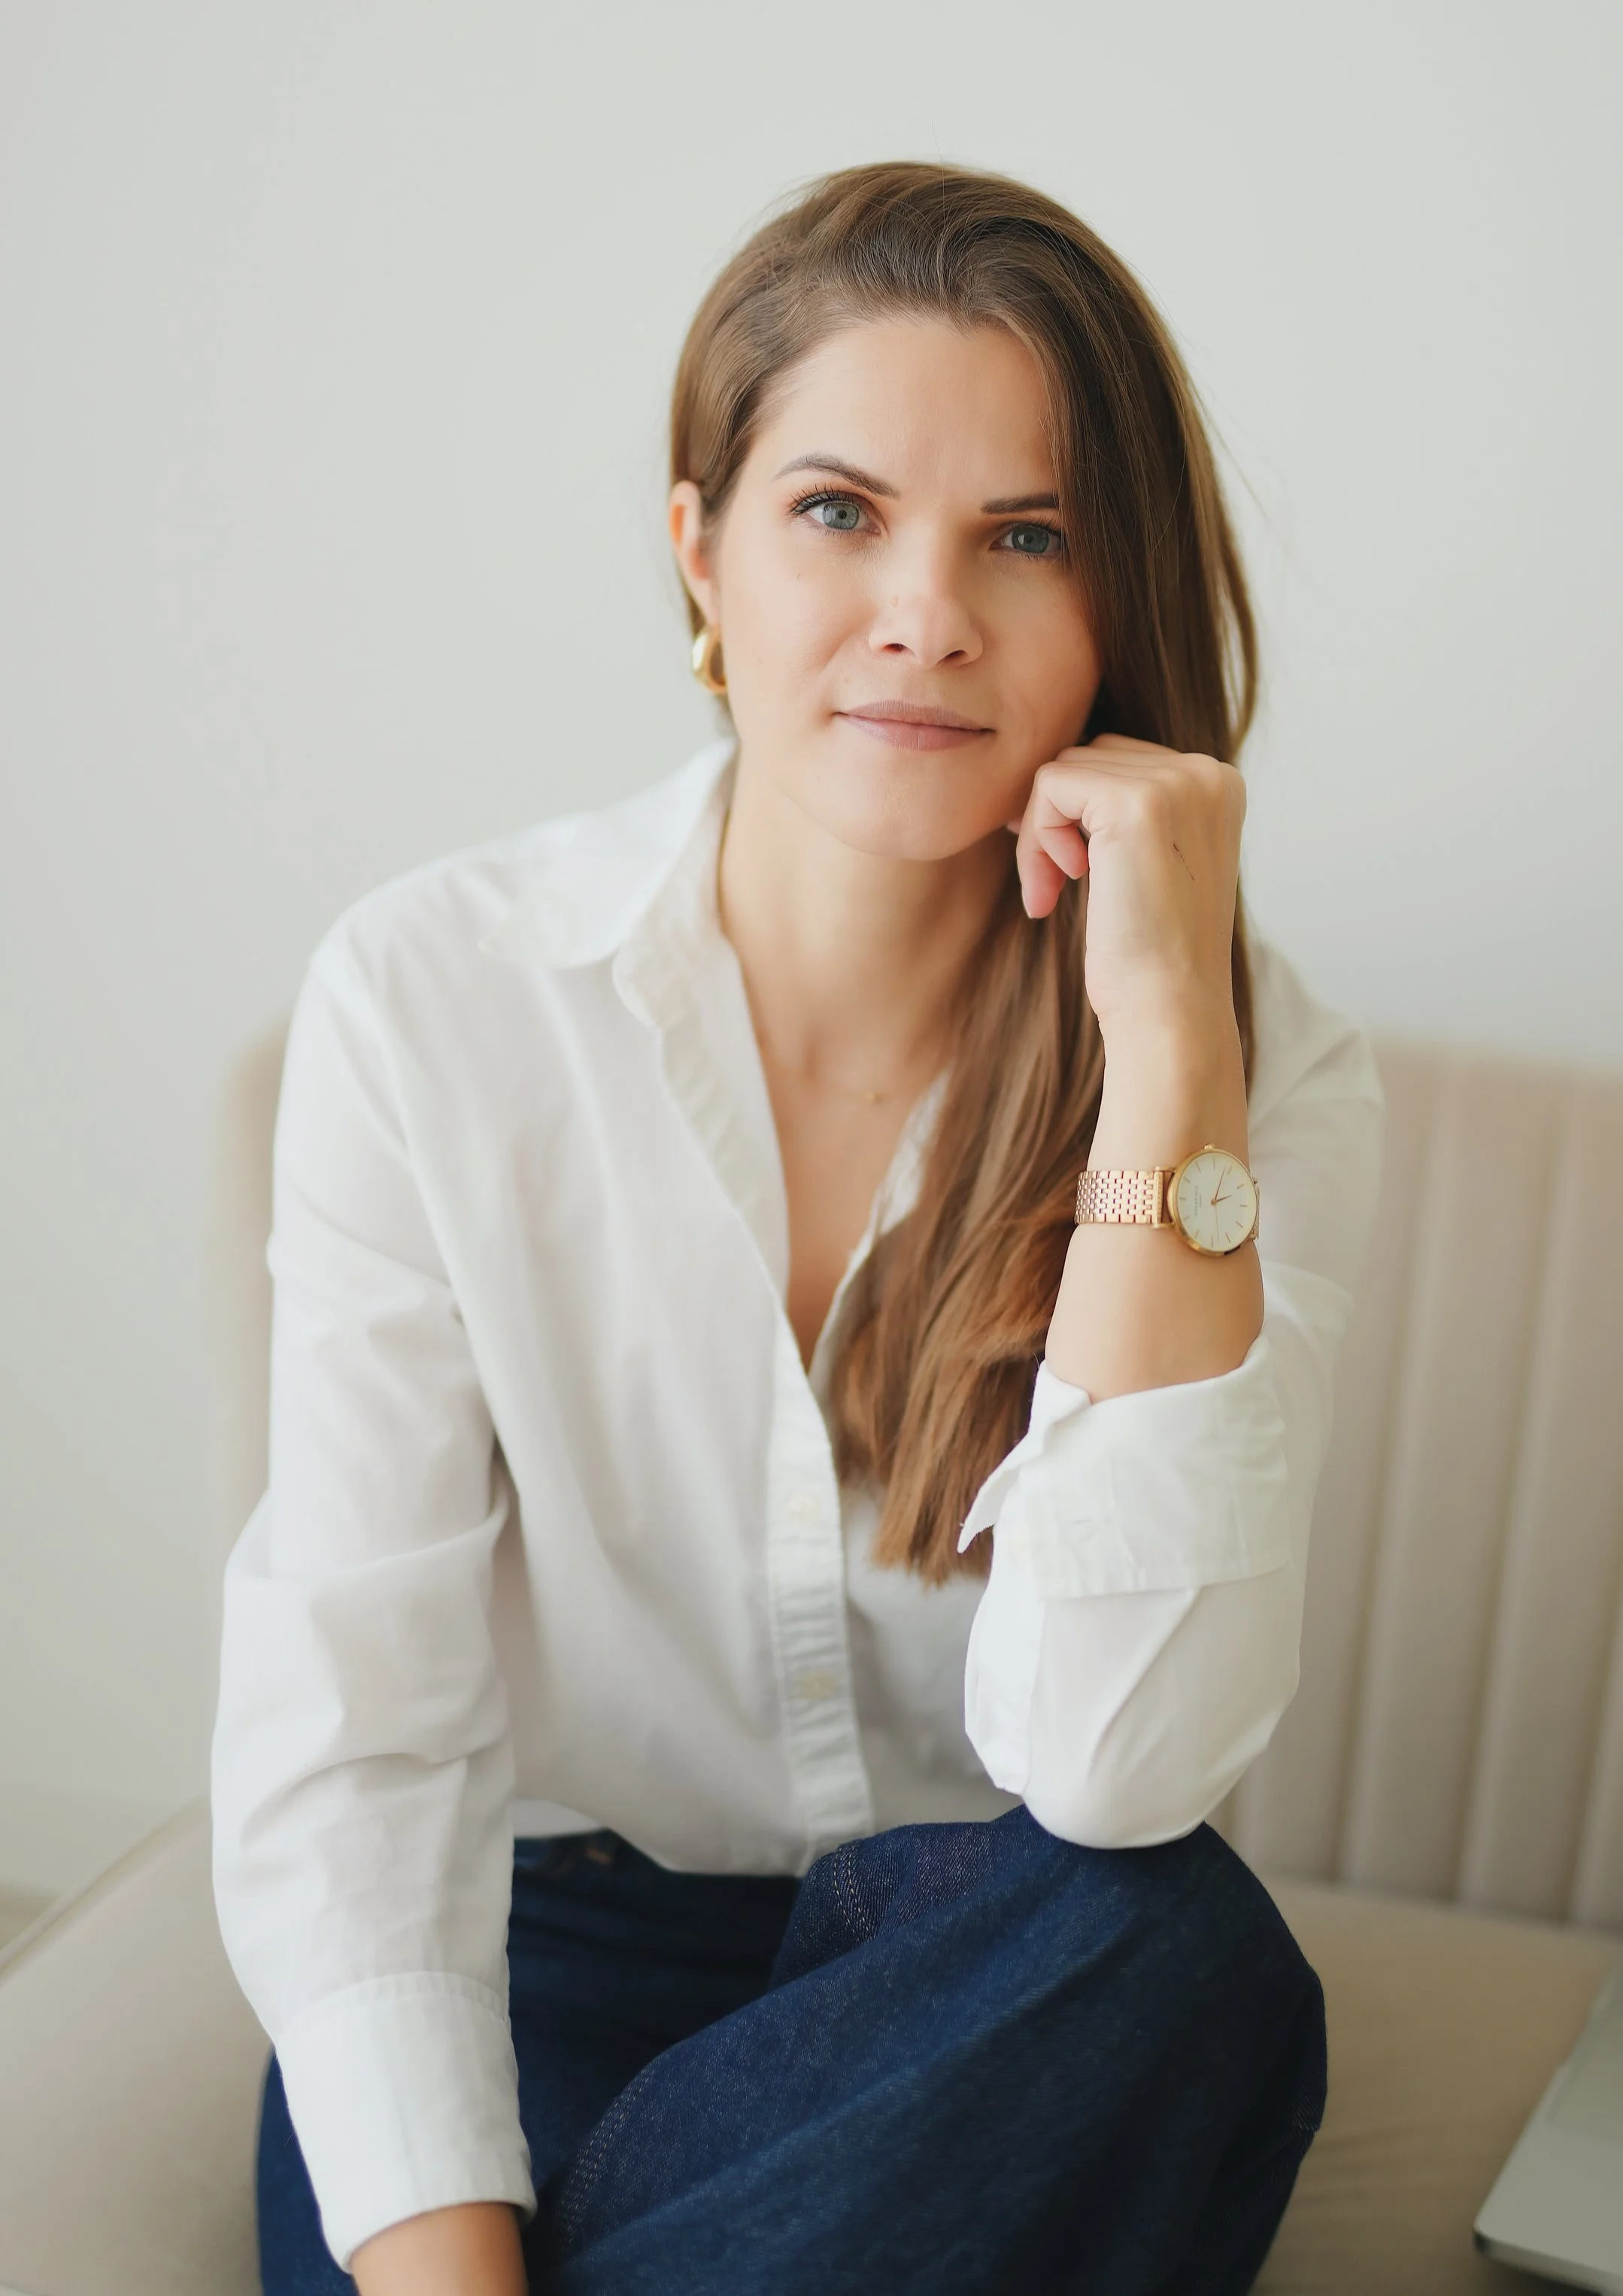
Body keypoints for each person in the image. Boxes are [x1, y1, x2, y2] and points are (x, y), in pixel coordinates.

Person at [211, 159, 1383, 2296]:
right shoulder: (435, 994)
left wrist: (1157, 1038)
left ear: (1120, 606)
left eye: (1025, 536)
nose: (926, 609)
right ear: (701, 557)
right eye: (838, 510)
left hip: (974, 1991)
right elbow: (355, 1727)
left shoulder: (1250, 1066)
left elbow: (1119, 1768)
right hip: (536, 1960)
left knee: (1179, 1946)